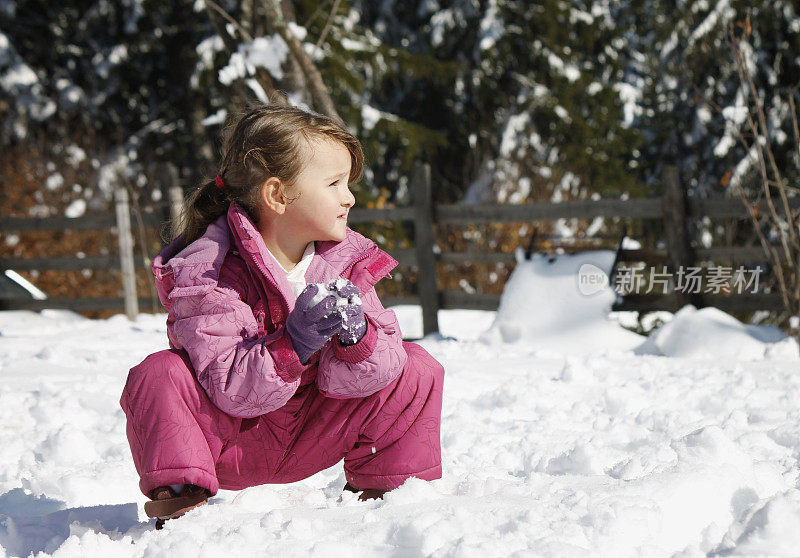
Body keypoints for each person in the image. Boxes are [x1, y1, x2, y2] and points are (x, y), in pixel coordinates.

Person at [120, 104, 445, 528]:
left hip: (314, 432)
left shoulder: (343, 262)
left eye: (347, 183)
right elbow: (229, 386)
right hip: (233, 442)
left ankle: (389, 491)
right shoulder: (211, 271)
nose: (349, 197)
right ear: (277, 195)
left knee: (415, 366)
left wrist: (357, 339)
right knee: (159, 373)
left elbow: (381, 370)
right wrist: (293, 344)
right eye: (333, 183)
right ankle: (182, 497)